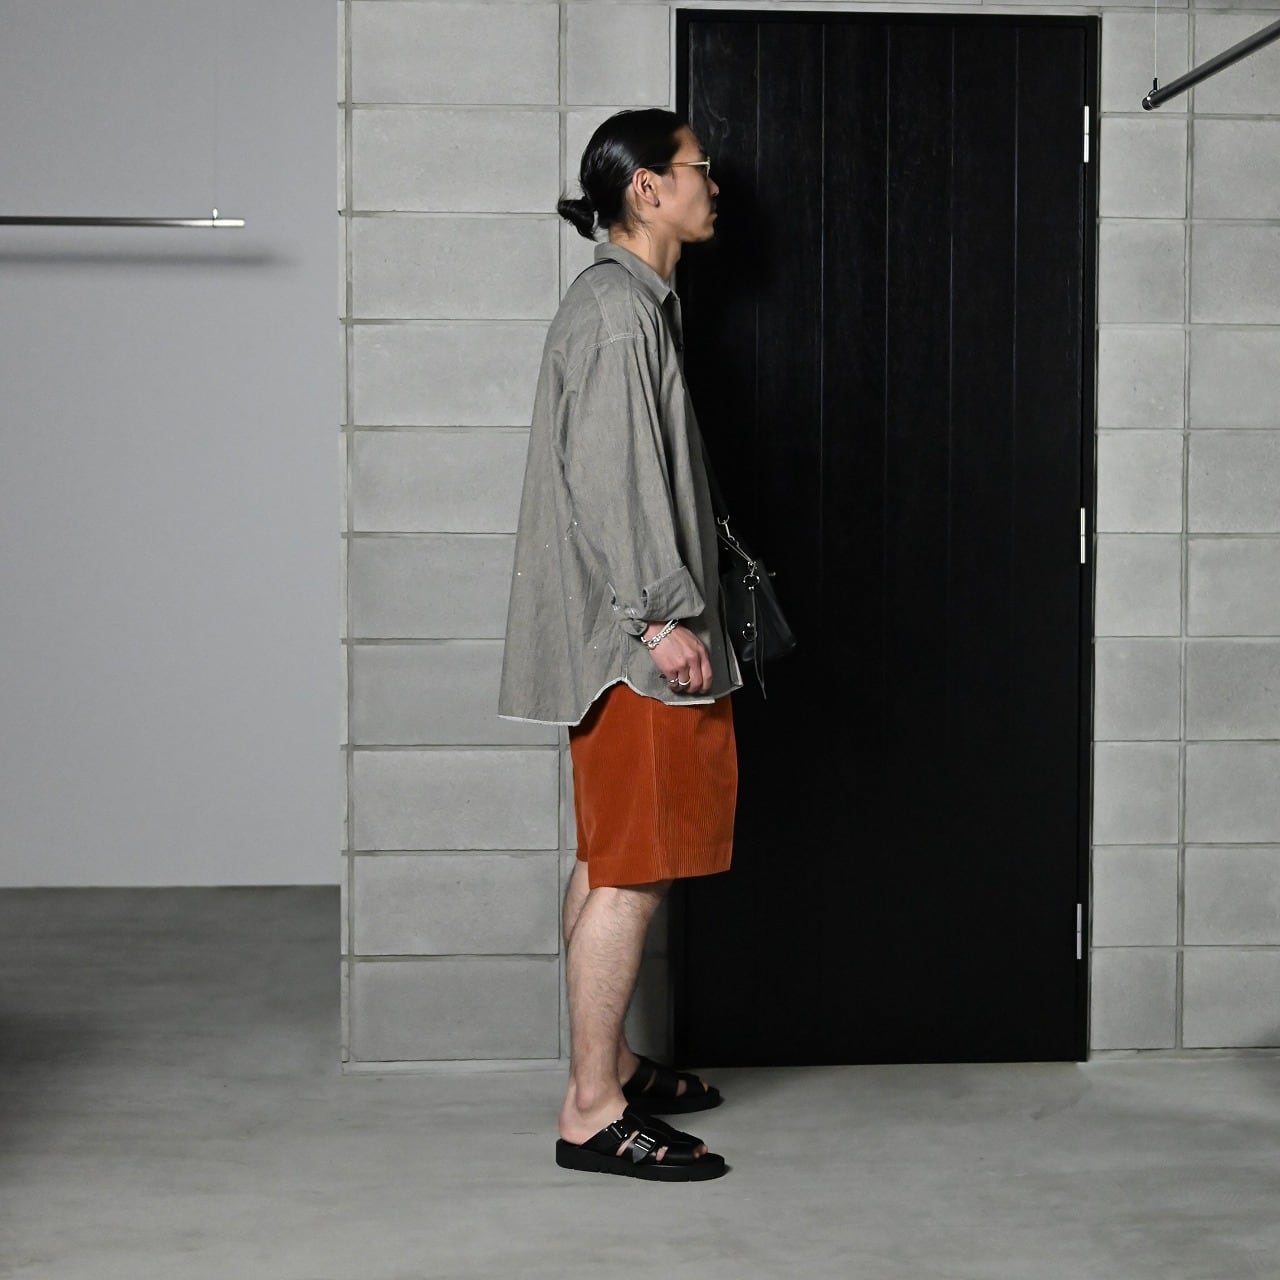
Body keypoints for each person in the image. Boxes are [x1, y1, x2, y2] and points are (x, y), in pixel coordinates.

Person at [498, 108, 741, 1182]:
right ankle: (593, 1108)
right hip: (636, 647)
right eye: (699, 170)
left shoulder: (628, 305)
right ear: (646, 187)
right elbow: (610, 485)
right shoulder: (616, 316)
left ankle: (613, 1066)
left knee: (609, 858)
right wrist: (659, 618)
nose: (713, 186)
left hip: (622, 638)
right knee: (632, 874)